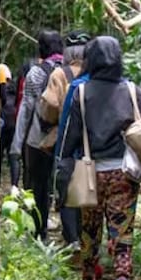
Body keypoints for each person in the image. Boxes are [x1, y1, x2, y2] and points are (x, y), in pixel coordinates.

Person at [59, 36, 141, 280]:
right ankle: (122, 279)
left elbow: (68, 139)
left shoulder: (81, 92)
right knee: (122, 229)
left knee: (89, 228)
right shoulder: (132, 90)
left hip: (90, 172)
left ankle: (89, 279)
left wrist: (61, 174)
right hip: (124, 172)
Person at [10, 31, 65, 239]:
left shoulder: (35, 73)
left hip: (37, 139)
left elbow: (26, 109)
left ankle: (37, 230)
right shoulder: (68, 72)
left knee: (36, 185)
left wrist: (17, 145)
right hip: (62, 138)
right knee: (56, 183)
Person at [40, 33, 90, 248]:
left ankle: (72, 239)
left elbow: (49, 106)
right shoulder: (96, 74)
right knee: (87, 191)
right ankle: (87, 238)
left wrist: (50, 120)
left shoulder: (60, 74)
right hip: (93, 142)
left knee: (66, 189)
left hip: (66, 139)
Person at [0, 62, 17, 170]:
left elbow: (3, 99)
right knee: (12, 155)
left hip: (3, 121)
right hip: (13, 122)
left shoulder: (1, 88)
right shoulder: (14, 87)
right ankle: (14, 184)